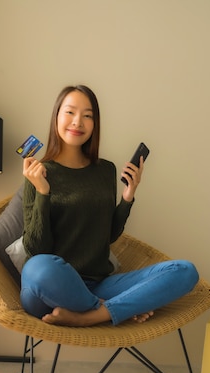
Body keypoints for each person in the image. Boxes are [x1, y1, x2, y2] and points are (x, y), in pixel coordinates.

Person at [20, 84, 198, 327]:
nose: (78, 122)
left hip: (98, 284)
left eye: (88, 115)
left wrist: (128, 196)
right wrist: (42, 192)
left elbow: (108, 235)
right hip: (50, 290)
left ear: (95, 124)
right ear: (57, 117)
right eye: (70, 112)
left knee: (185, 271)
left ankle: (89, 316)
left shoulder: (105, 170)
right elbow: (36, 248)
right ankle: (108, 309)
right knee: (38, 267)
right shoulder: (38, 173)